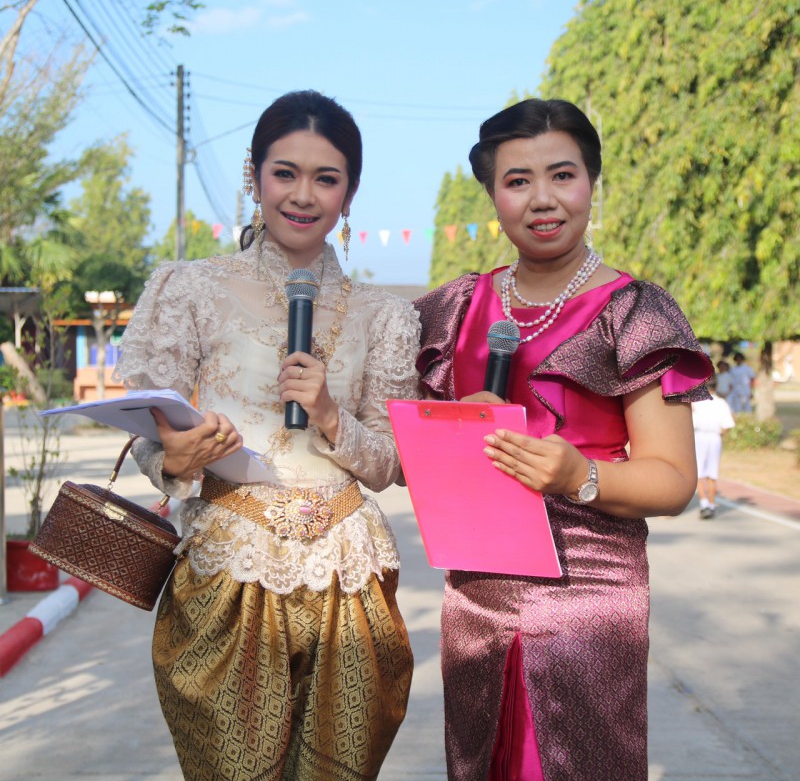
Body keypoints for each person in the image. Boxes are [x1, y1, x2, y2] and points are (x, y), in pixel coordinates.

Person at [113, 90, 420, 781]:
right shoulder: (190, 289)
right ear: (254, 178)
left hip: (349, 574)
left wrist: (331, 414)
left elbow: (390, 464)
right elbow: (150, 433)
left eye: (326, 178)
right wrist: (176, 458)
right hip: (228, 569)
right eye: (285, 173)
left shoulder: (386, 315)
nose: (303, 195)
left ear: (350, 193)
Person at [413, 98, 712, 780]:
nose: (542, 199)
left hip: (590, 597)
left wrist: (580, 476)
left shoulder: (634, 310)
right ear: (493, 194)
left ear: (591, 183)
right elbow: (406, 451)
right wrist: (452, 432)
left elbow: (674, 481)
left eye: (562, 175)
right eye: (517, 180)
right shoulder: (454, 308)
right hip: (477, 595)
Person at [692, 375, 735, 519]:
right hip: (715, 437)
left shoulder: (696, 402)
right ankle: (711, 504)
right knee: (712, 472)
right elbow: (726, 425)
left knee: (699, 472)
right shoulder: (721, 403)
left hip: (700, 436)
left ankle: (704, 503)